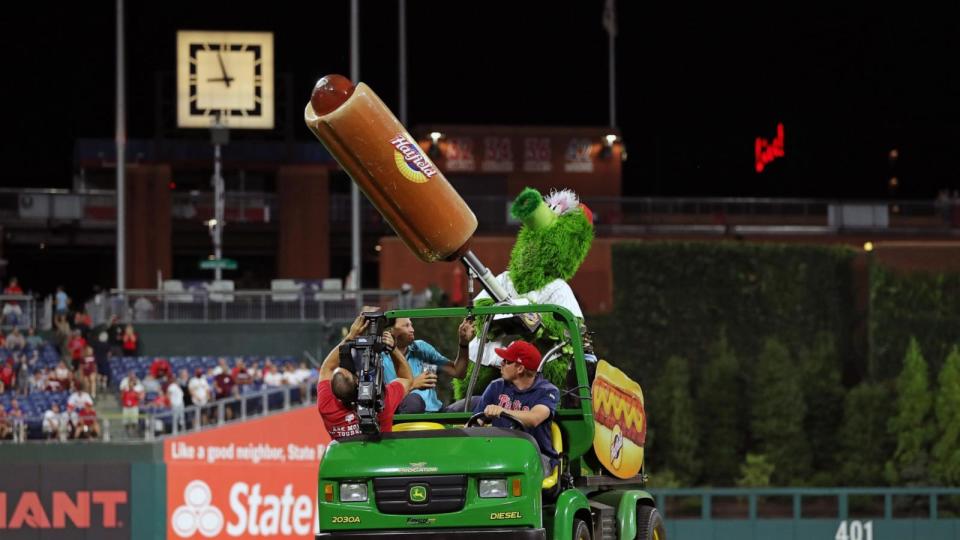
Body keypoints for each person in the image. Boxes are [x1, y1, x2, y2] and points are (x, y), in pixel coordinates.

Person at [316, 311, 413, 440]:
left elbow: (326, 368)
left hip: (349, 459)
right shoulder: (382, 404)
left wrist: (349, 337)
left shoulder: (326, 406)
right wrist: (393, 348)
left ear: (332, 392)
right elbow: (407, 379)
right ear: (358, 383)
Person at [473, 340, 560, 477]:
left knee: (517, 474)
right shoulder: (496, 387)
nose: (500, 364)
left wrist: (502, 411)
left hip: (537, 456)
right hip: (499, 455)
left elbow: (535, 418)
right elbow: (474, 423)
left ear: (520, 368)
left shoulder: (547, 391)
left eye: (506, 361)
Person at [380, 316, 475, 413]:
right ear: (390, 331)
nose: (412, 330)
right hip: (407, 414)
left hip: (437, 411)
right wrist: (413, 384)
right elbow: (384, 400)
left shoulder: (421, 348)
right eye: (406, 326)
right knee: (413, 401)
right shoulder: (380, 358)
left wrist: (463, 342)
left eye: (411, 325)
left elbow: (458, 372)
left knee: (476, 402)